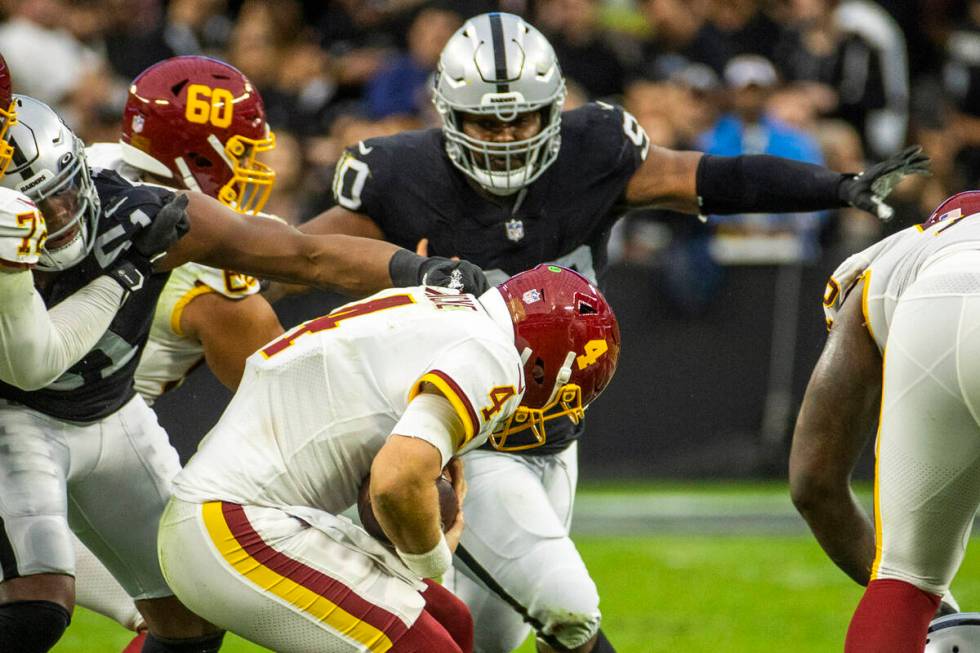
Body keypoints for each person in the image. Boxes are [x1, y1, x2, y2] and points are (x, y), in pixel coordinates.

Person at [308, 12, 929, 653]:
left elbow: (711, 179)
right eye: (486, 121)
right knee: (568, 611)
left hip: (556, 434)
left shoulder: (594, 151)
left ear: (554, 107)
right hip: (465, 431)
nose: (505, 137)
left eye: (520, 117)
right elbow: (300, 256)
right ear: (446, 112)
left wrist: (832, 185)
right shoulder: (402, 175)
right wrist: (218, 269)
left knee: (495, 637)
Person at [0, 94, 487, 653]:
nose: (60, 216)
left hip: (112, 411)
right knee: (35, 603)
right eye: (39, 207)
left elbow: (304, 255)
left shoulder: (142, 207)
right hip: (15, 413)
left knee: (190, 620)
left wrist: (416, 269)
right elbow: (33, 361)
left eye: (64, 193)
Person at [157, 264, 620, 653]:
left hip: (247, 517)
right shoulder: (493, 354)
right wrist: (433, 562)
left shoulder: (437, 302)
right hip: (235, 528)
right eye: (565, 389)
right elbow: (397, 479)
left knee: (453, 622)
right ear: (542, 361)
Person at [789, 191, 980, 652]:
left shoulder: (898, 253)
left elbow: (813, 483)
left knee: (904, 580)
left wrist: (933, 605)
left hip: (927, 308)